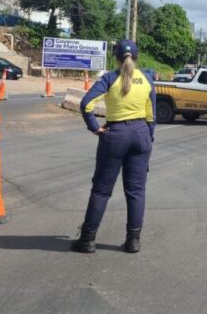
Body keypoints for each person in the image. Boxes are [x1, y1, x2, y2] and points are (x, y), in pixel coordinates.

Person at [72, 39, 156, 254]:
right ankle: (133, 240)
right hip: (141, 134)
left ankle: (88, 240)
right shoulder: (146, 79)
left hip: (116, 134)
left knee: (101, 190)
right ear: (136, 57)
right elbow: (151, 114)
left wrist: (94, 127)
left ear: (116, 58)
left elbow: (86, 104)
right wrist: (148, 138)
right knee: (136, 190)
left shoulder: (110, 78)